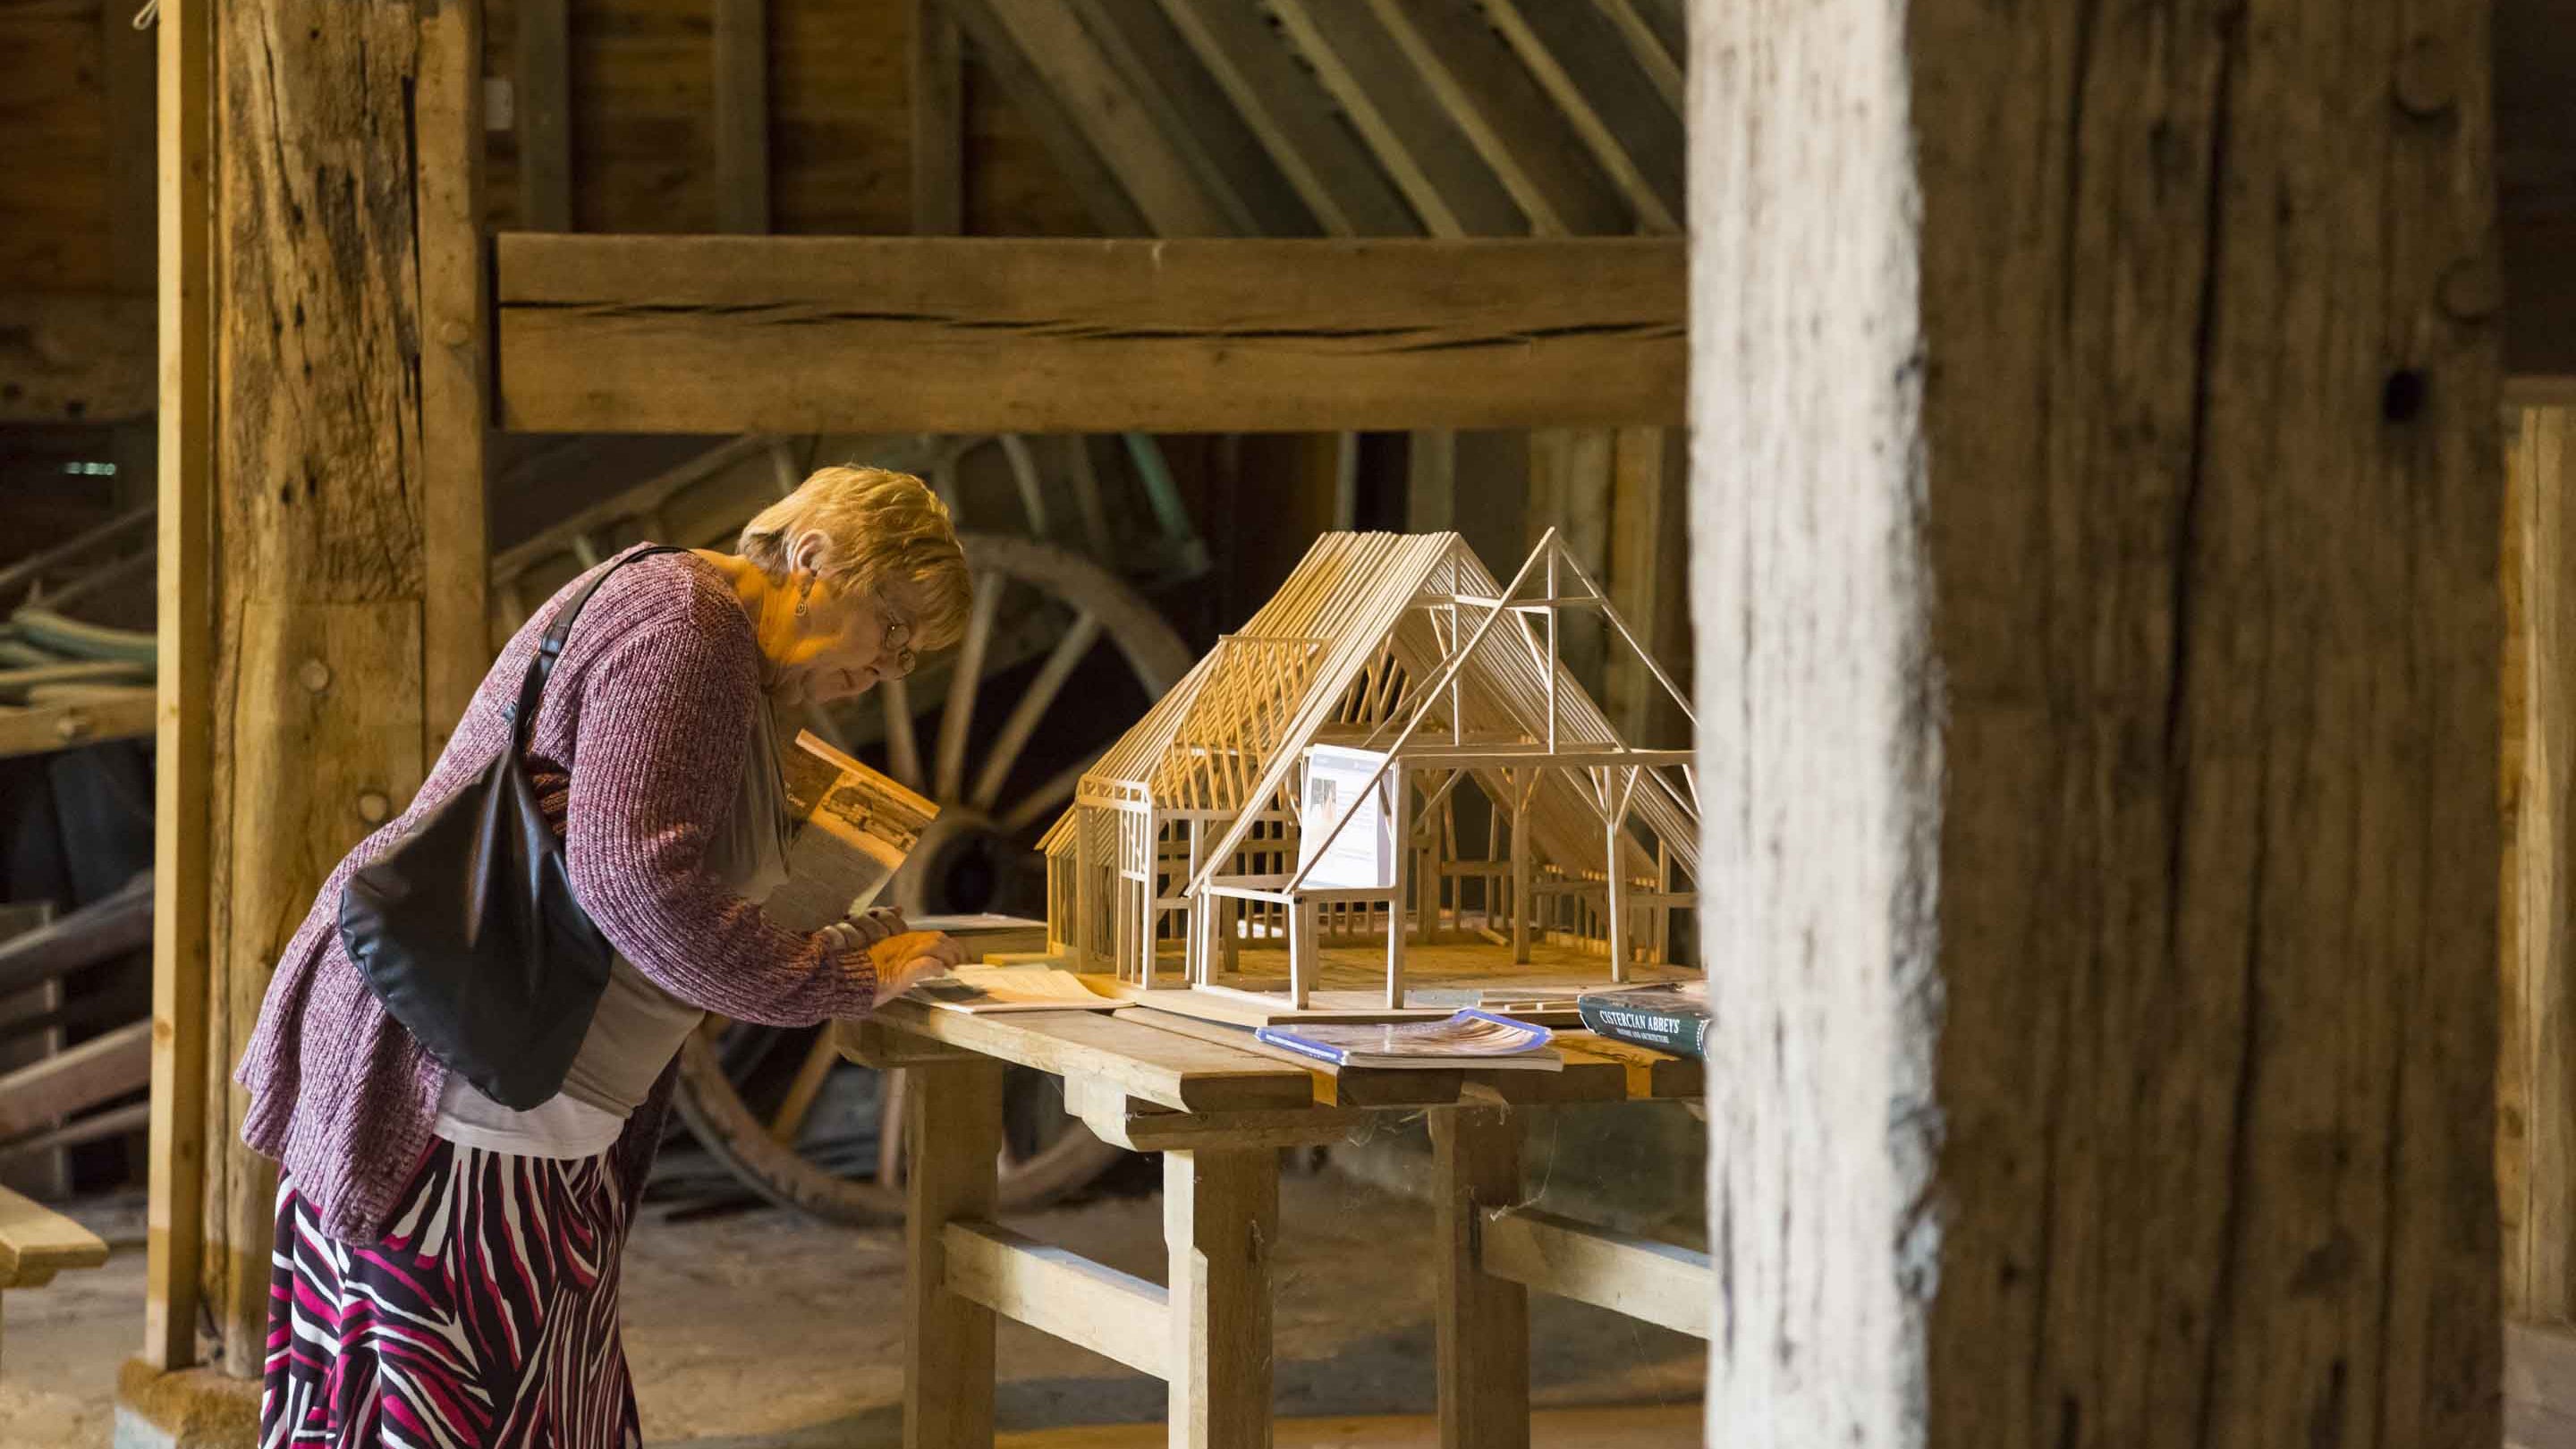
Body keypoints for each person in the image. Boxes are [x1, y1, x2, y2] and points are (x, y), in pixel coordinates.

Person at [235, 465, 973, 1448]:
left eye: (916, 655)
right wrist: (843, 979)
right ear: (814, 559)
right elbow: (638, 886)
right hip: (462, 1109)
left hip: (506, 1092)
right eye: (894, 628)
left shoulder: (713, 641)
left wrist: (831, 934)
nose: (894, 667)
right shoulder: (688, 630)